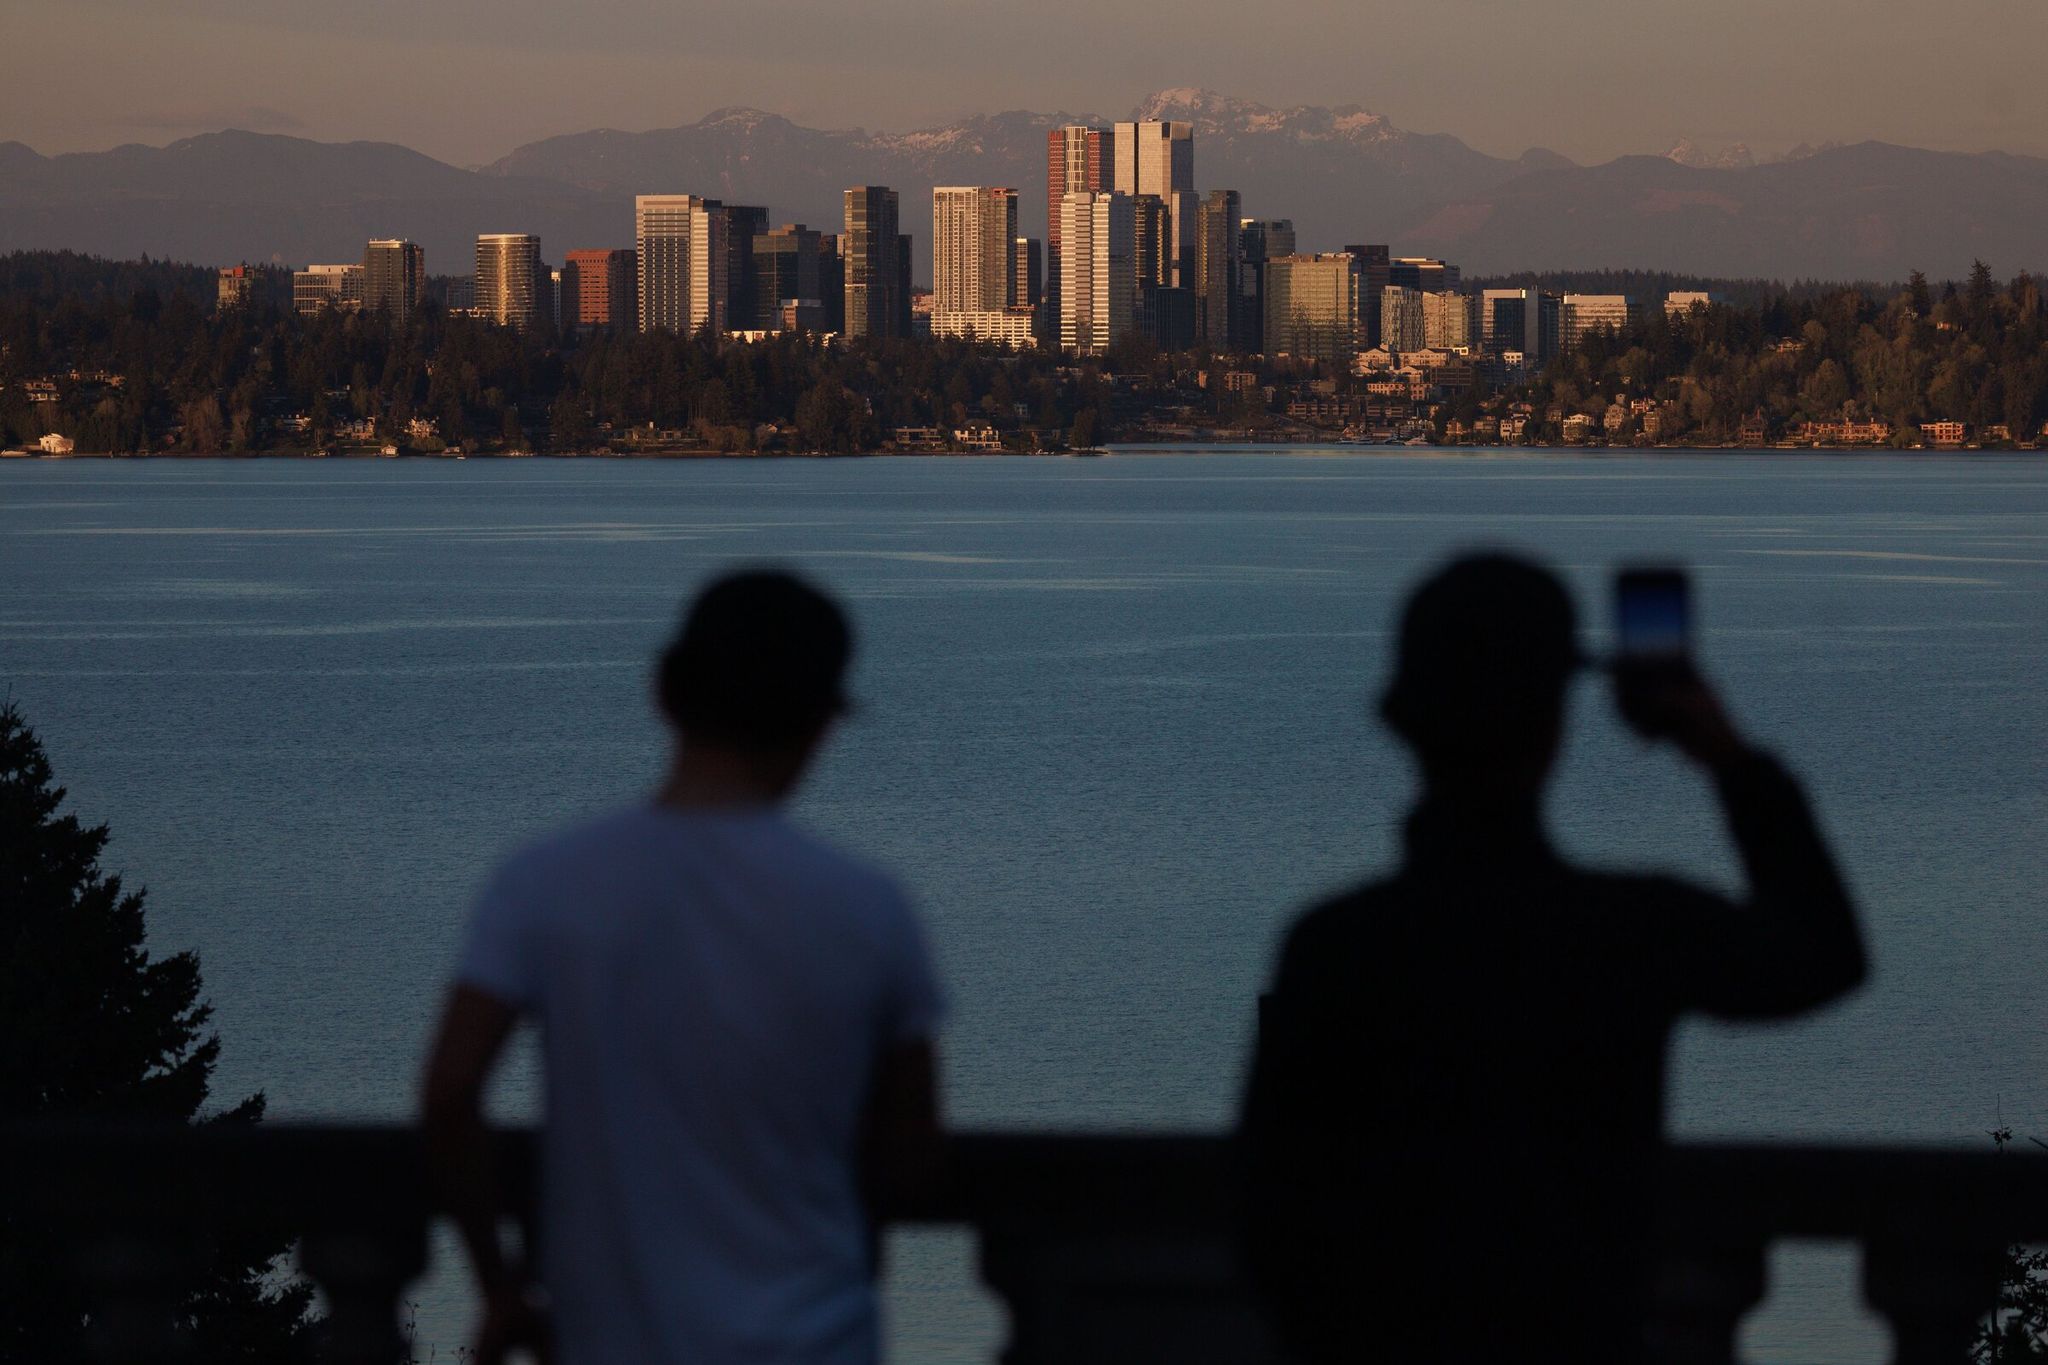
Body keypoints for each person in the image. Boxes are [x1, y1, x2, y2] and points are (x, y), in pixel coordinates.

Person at [1235, 553, 1866, 1364]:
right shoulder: (1628, 931)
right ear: (1556, 723)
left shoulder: (1334, 948)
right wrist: (1728, 759)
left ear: (1404, 719)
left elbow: (1270, 1215)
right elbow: (1825, 954)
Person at [421, 569, 946, 1365]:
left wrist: (499, 1284)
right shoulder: (871, 907)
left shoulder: (544, 883)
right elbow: (910, 1151)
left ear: (665, 692)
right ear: (819, 725)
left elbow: (452, 1090)